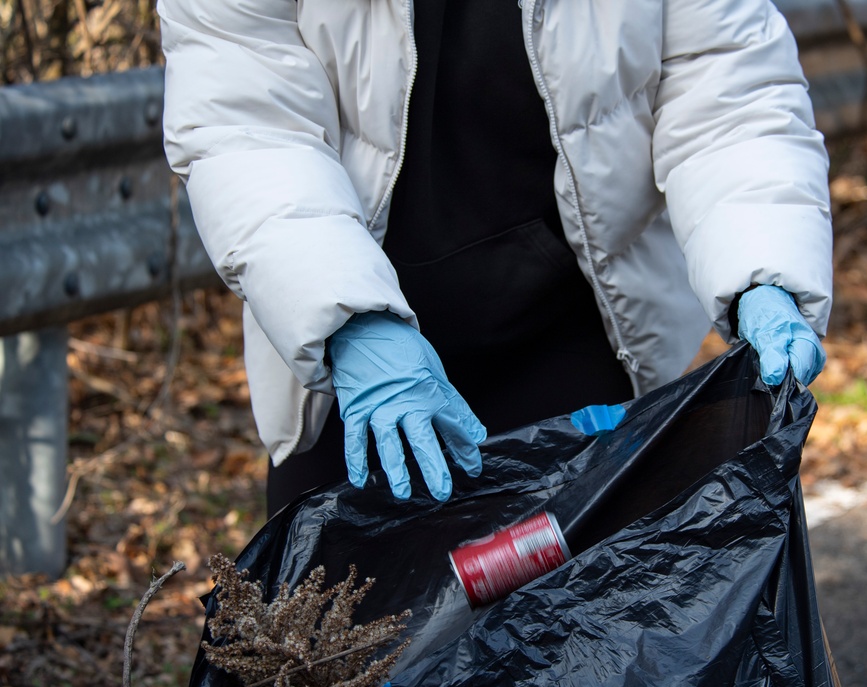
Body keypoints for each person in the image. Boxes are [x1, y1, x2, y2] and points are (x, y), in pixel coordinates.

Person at [157, 0, 832, 517]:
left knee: (586, 668)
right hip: (351, 375)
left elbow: (729, 90)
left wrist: (761, 266)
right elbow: (247, 126)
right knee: (342, 662)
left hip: (573, 332)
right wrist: (345, 316)